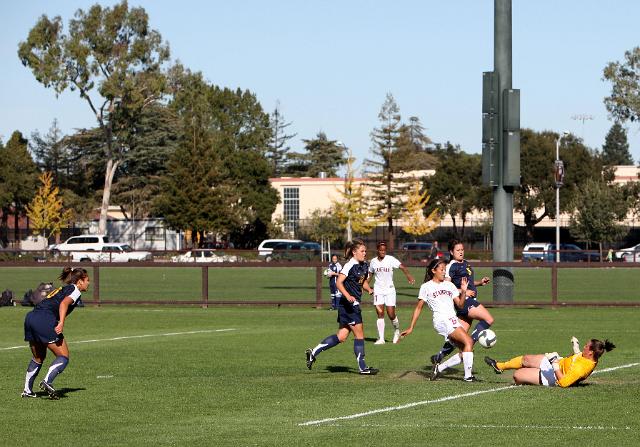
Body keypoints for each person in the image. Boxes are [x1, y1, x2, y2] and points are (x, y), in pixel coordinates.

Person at [306, 239, 378, 375]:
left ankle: (313, 352)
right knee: (359, 334)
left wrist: (370, 290)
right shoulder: (349, 265)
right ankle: (363, 368)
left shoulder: (364, 265)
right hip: (349, 305)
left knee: (342, 336)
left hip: (350, 305)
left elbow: (362, 282)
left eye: (365, 251)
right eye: (362, 251)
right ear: (354, 252)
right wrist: (348, 296)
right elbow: (339, 282)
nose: (365, 253)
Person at [400, 258, 477, 382]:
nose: (444, 272)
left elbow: (461, 305)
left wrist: (463, 291)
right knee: (468, 341)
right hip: (442, 320)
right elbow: (418, 308)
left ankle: (439, 368)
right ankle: (468, 376)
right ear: (433, 270)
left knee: (466, 351)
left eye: (445, 270)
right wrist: (411, 327)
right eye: (441, 270)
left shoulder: (449, 285)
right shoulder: (426, 287)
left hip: (452, 320)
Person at [21, 267, 90, 399]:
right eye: (87, 280)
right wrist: (61, 323)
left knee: (38, 357)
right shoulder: (75, 290)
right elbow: (64, 304)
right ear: (80, 281)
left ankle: (27, 391)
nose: (88, 283)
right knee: (63, 356)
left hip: (31, 317)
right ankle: (47, 381)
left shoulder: (65, 288)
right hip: (44, 320)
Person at [430, 239, 493, 365]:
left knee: (457, 337)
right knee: (488, 320)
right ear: (451, 252)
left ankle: (440, 356)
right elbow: (446, 286)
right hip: (465, 302)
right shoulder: (451, 266)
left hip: (469, 300)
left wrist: (479, 283)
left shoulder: (466, 263)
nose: (461, 252)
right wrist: (463, 291)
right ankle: (470, 343)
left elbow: (467, 283)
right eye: (458, 250)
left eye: (462, 250)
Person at [484, 336, 615, 387]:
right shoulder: (589, 356)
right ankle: (499, 366)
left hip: (553, 376)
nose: (584, 347)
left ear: (591, 352)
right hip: (558, 362)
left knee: (518, 375)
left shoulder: (582, 368)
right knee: (526, 359)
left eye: (586, 346)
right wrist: (575, 346)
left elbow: (563, 383)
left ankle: (526, 381)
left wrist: (554, 364)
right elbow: (578, 357)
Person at [367, 241, 415, 344]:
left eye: (384, 250)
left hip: (389, 290)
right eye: (381, 250)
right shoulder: (373, 262)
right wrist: (365, 285)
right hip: (378, 290)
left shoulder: (390, 259)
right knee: (380, 313)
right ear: (378, 250)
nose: (382, 252)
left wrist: (408, 276)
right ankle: (381, 339)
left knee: (391, 314)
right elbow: (370, 274)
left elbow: (402, 266)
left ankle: (397, 331)